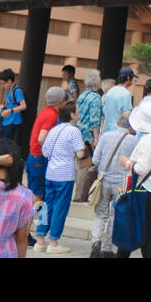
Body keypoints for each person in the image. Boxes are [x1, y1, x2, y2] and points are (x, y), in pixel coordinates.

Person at [117, 100, 151, 258]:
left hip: (142, 191)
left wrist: (126, 162)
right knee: (141, 231)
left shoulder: (148, 140)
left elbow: (141, 168)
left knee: (139, 233)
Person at [37, 100, 87, 254]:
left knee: (47, 204)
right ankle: (54, 241)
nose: (78, 114)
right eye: (76, 111)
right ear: (71, 114)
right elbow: (80, 154)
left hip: (50, 172)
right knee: (60, 207)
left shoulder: (53, 130)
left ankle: (40, 239)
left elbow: (45, 152)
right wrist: (83, 146)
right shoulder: (74, 131)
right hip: (65, 173)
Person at [90, 109, 138, 257]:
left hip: (104, 178)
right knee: (115, 215)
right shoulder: (134, 141)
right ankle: (107, 247)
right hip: (122, 182)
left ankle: (95, 240)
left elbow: (95, 160)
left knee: (100, 213)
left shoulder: (105, 137)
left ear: (118, 122)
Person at [26, 86, 64, 214]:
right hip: (39, 158)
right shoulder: (52, 115)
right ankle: (28, 229)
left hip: (33, 156)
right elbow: (42, 137)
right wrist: (50, 152)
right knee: (39, 195)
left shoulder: (44, 112)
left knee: (33, 194)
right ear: (61, 101)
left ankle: (29, 229)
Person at [102, 67, 135, 135]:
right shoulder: (126, 93)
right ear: (128, 78)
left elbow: (104, 111)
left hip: (106, 130)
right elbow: (126, 114)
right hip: (117, 131)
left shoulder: (110, 91)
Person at [0, 69, 26, 147]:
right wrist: (2, 106)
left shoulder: (17, 91)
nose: (2, 86)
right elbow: (8, 102)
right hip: (6, 120)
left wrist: (10, 110)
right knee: (1, 143)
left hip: (13, 122)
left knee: (7, 145)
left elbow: (23, 106)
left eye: (3, 84)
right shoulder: (8, 90)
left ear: (9, 81)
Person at [77, 70, 103, 146]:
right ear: (96, 81)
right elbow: (94, 120)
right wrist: (96, 139)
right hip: (88, 136)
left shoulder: (82, 95)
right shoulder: (96, 98)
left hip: (79, 132)